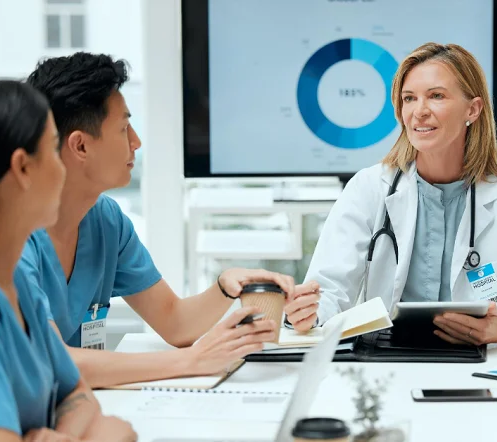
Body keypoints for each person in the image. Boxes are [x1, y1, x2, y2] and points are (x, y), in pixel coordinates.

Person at [20, 52, 321, 388]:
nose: (136, 142)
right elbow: (51, 360)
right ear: (80, 146)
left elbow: (174, 323)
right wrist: (191, 361)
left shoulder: (106, 221)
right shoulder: (9, 234)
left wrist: (225, 287)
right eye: (123, 128)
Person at [304, 42, 497, 345]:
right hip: (383, 361)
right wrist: (306, 312)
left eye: (436, 96)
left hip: (476, 359)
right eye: (409, 98)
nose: (419, 112)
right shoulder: (369, 188)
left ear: (472, 109)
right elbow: (328, 290)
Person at [0, 80, 135, 441]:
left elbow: (78, 395)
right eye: (51, 149)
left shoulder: (15, 284)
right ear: (23, 169)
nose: (63, 168)